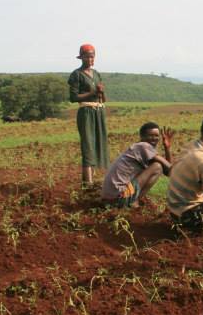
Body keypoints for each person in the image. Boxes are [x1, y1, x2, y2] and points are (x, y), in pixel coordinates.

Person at [101, 122, 174, 208]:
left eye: (156, 136)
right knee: (157, 167)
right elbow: (170, 169)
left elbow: (168, 172)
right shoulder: (143, 146)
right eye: (150, 135)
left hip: (110, 199)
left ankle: (133, 199)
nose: (154, 138)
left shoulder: (140, 149)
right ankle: (135, 200)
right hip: (119, 198)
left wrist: (167, 148)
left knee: (158, 166)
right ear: (142, 137)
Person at [68, 43, 109, 186]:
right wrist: (92, 92)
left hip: (99, 111)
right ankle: (88, 183)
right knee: (88, 144)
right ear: (82, 58)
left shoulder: (96, 74)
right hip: (86, 112)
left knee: (99, 143)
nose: (90, 60)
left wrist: (101, 92)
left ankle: (94, 179)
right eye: (87, 57)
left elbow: (103, 99)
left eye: (92, 57)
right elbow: (73, 97)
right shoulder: (76, 75)